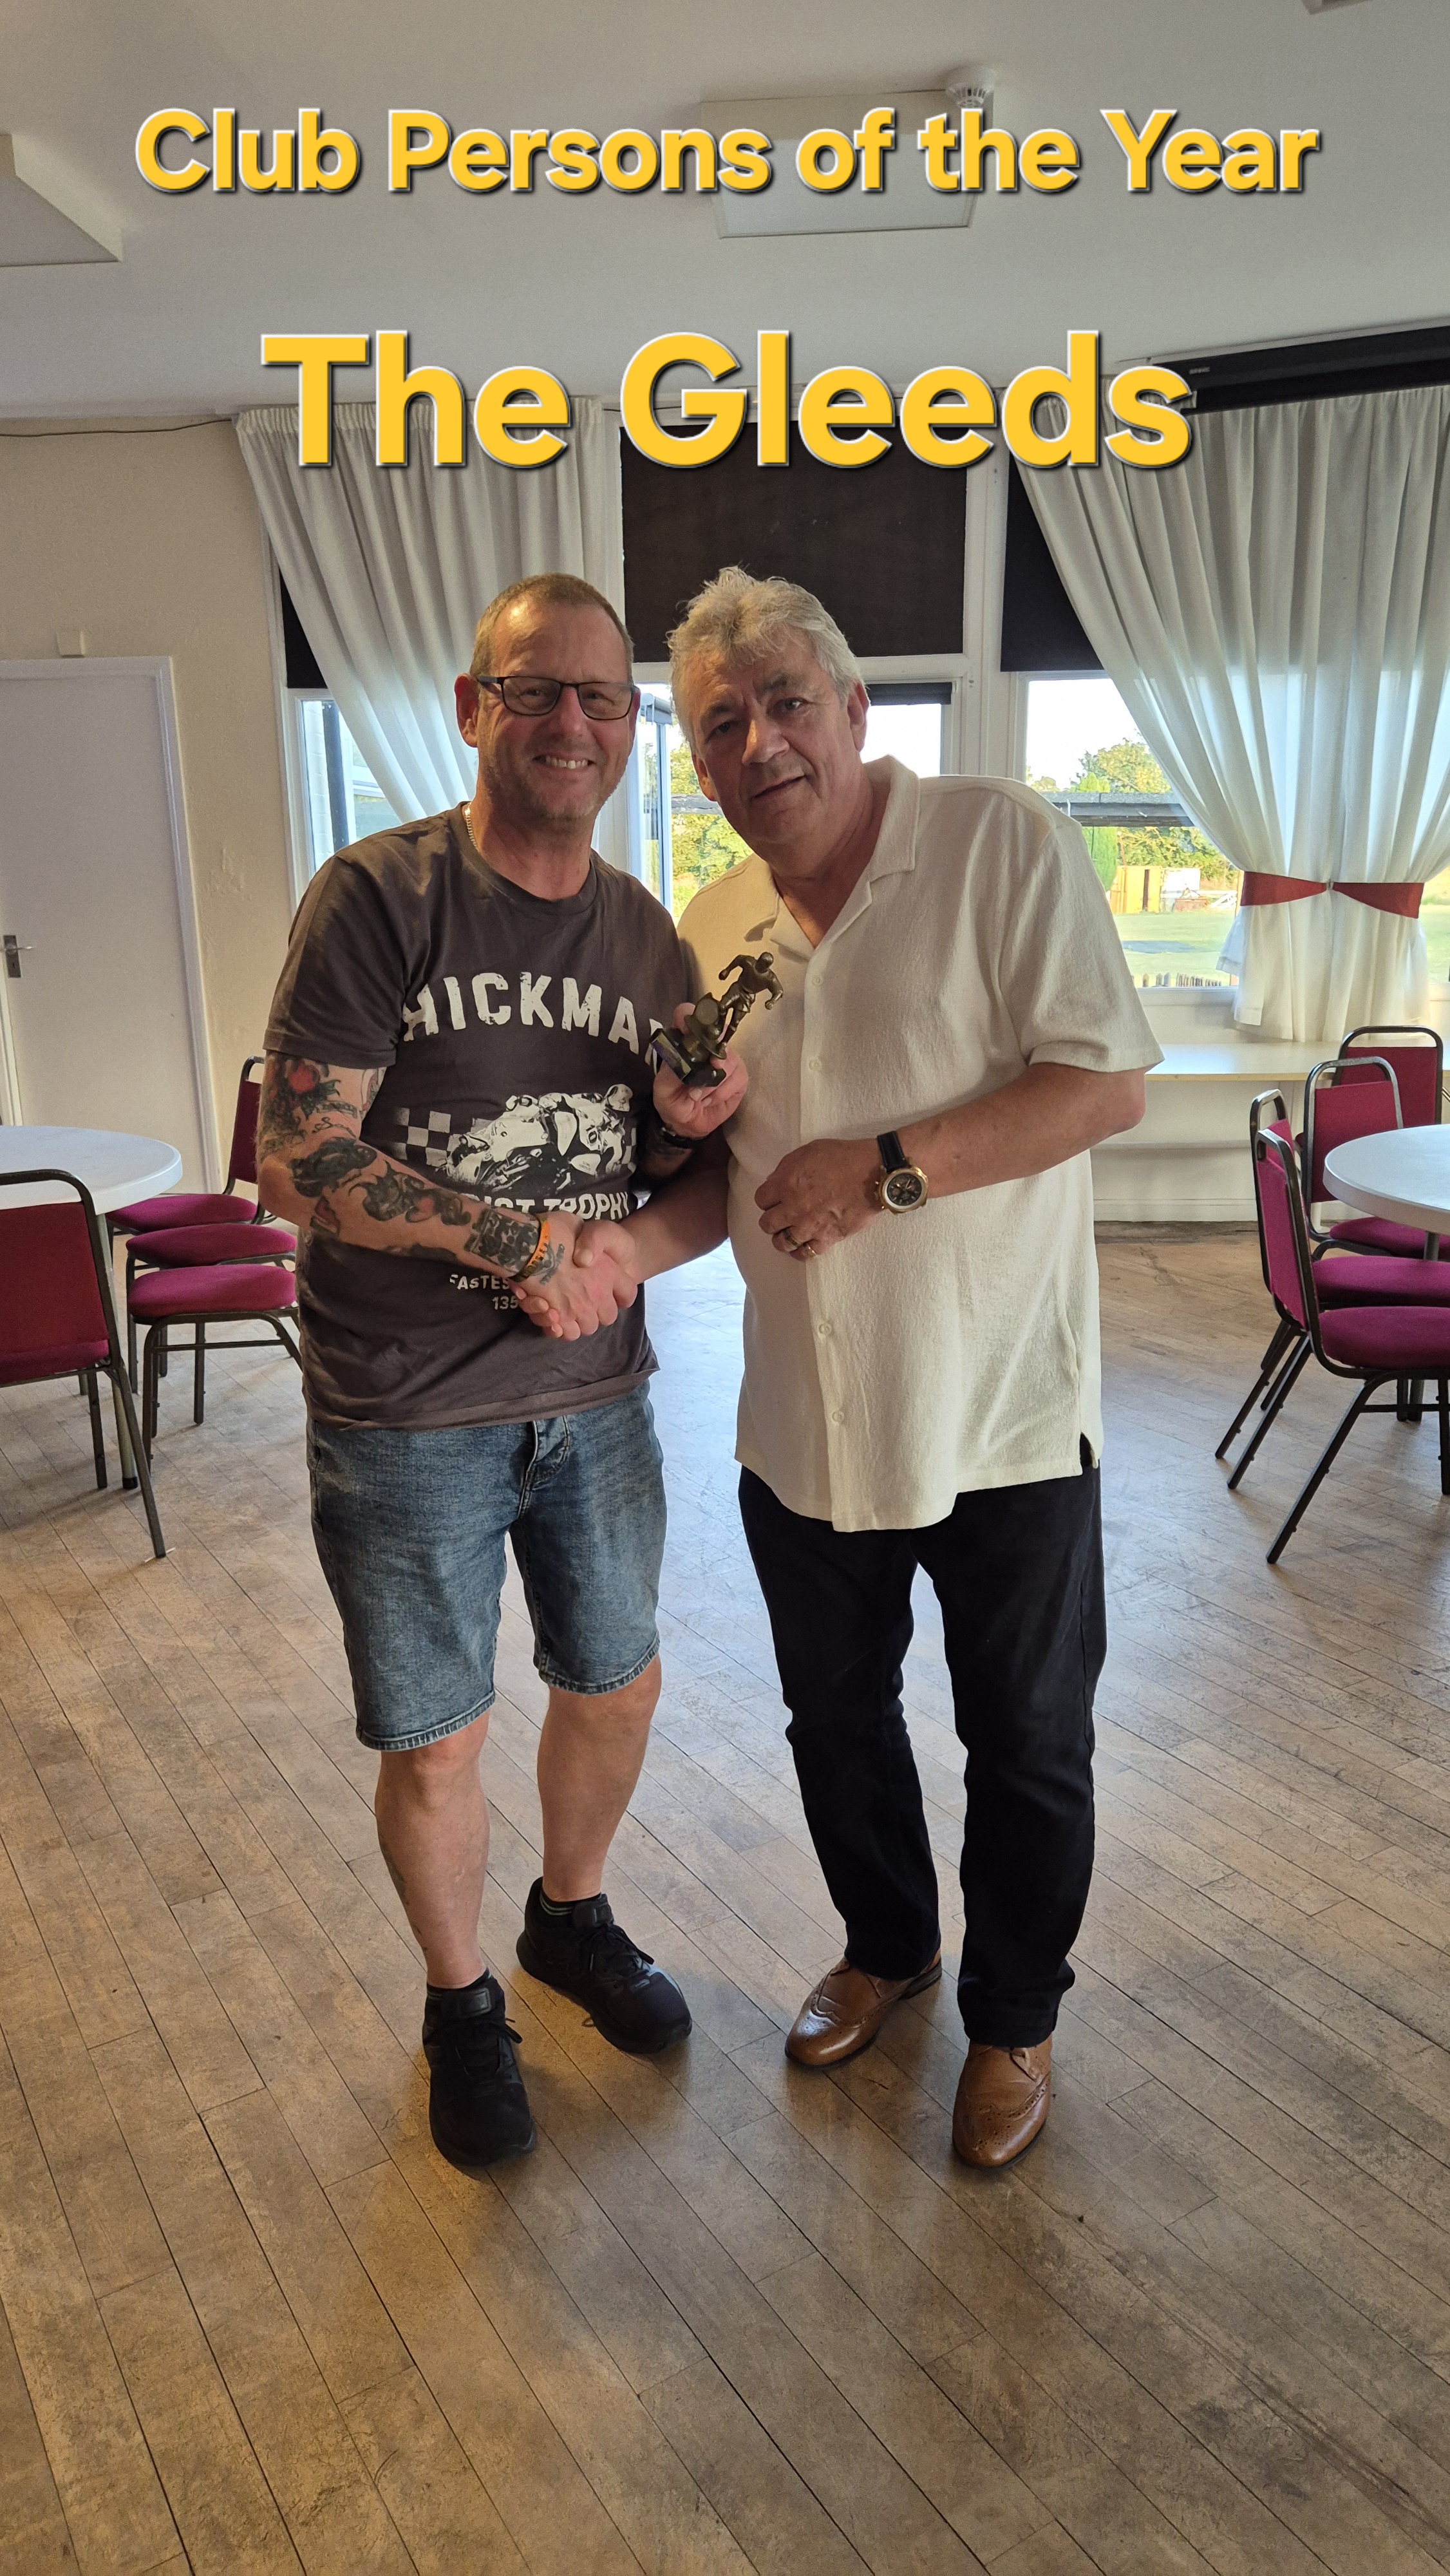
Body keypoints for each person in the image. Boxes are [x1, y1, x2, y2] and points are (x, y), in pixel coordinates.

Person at [657, 567, 1160, 2169]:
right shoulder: (710, 927)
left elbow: (1104, 1085)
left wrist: (883, 1168)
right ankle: (889, 1946)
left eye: (786, 702)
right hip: (804, 1417)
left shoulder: (1000, 840)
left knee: (1027, 1738)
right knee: (834, 1718)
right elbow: (713, 1166)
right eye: (719, 724)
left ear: (856, 710)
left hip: (1001, 1404)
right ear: (699, 763)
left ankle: (1014, 2017)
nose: (759, 743)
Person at [257, 573, 742, 2171]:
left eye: (602, 697)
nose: (571, 723)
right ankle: (460, 2000)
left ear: (628, 727)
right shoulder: (377, 895)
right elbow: (299, 1153)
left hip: (597, 1396)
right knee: (437, 1734)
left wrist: (630, 1232)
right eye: (536, 689)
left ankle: (569, 1915)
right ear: (475, 707)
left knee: (617, 1681)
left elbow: (701, 1178)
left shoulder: (648, 933)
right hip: (407, 1405)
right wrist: (519, 1239)